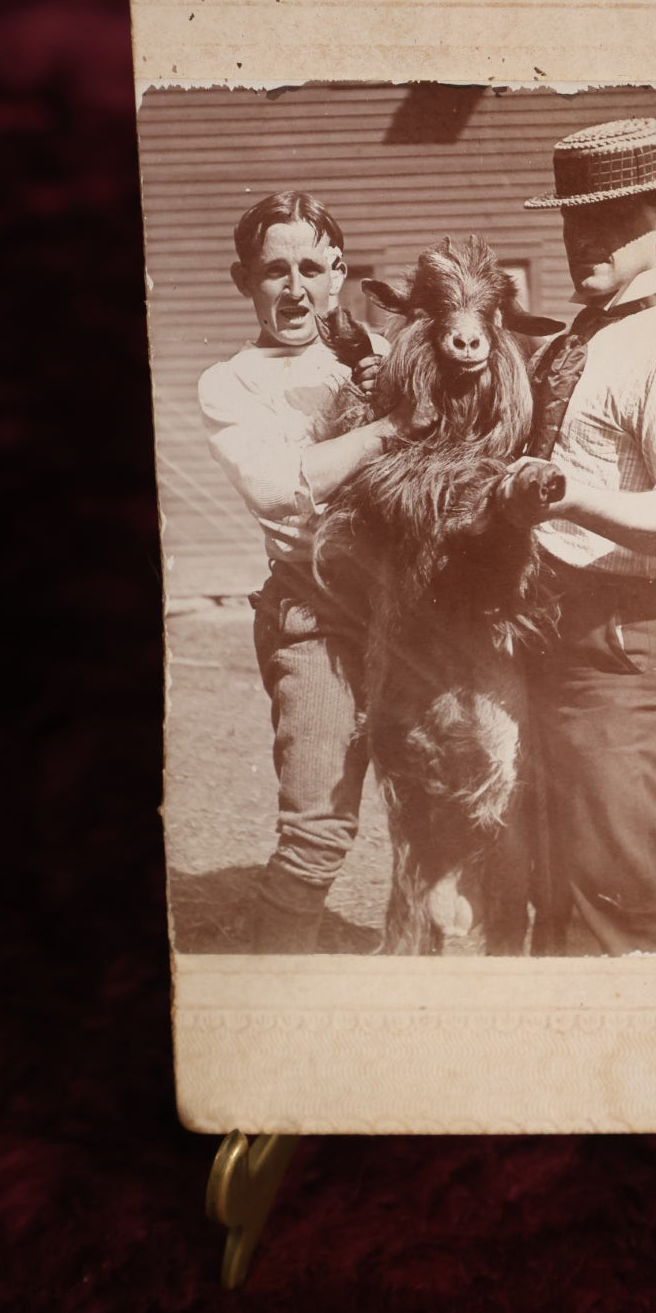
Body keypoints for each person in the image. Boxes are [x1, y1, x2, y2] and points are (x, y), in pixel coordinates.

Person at [518, 118, 656, 955]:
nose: (586, 240)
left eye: (611, 220)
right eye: (576, 220)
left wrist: (572, 493)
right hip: (546, 637)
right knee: (555, 893)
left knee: (623, 900)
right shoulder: (576, 342)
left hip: (620, 647)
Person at [198, 191, 393, 953]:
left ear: (338, 273)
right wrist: (387, 429)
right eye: (274, 270)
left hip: (417, 613)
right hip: (316, 617)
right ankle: (274, 979)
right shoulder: (231, 382)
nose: (295, 288)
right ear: (243, 278)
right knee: (318, 826)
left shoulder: (377, 354)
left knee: (448, 804)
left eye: (311, 267)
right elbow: (280, 486)